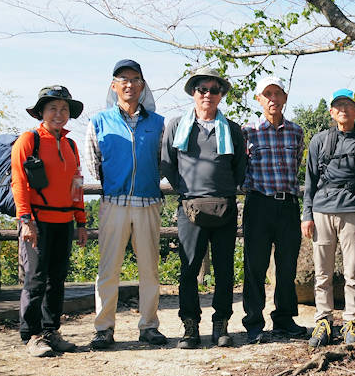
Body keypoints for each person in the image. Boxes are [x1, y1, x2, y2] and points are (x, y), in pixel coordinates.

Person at [161, 67, 247, 348]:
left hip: (225, 206)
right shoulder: (177, 126)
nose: (208, 94)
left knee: (224, 270)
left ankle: (221, 324)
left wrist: (224, 188)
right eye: (202, 89)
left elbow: (240, 168)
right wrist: (186, 190)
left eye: (214, 90)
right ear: (193, 93)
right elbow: (167, 163)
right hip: (189, 208)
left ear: (221, 95)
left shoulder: (232, 129)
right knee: (189, 269)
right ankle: (190, 326)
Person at [86, 59, 167, 349]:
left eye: (135, 79)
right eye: (123, 80)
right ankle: (104, 328)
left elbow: (161, 163)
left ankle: (149, 325)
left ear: (142, 86)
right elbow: (94, 163)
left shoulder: (158, 123)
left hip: (148, 201)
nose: (129, 85)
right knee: (109, 269)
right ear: (114, 86)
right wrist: (115, 183)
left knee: (149, 269)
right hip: (114, 202)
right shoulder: (99, 121)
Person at [13, 86, 88, 357]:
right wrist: (26, 220)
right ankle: (31, 335)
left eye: (64, 109)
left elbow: (76, 185)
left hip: (63, 221)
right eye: (53, 108)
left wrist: (81, 221)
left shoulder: (71, 145)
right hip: (37, 221)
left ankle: (50, 331)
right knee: (35, 278)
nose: (59, 113)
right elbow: (19, 182)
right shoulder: (29, 140)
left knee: (56, 279)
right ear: (41, 112)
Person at [302, 89, 355, 347]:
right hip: (322, 211)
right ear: (331, 111)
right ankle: (323, 320)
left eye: (348, 105)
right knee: (322, 273)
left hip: (353, 211)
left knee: (353, 271)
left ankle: (352, 319)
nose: (343, 110)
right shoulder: (319, 141)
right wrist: (307, 214)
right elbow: (310, 180)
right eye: (338, 106)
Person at [241, 76, 307, 344]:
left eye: (277, 93)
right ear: (259, 99)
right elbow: (241, 168)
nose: (273, 99)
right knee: (255, 266)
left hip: (288, 205)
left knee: (287, 266)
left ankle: (284, 318)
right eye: (267, 94)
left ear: (285, 97)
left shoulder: (296, 132)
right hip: (259, 204)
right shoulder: (248, 132)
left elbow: (297, 163)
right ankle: (254, 322)